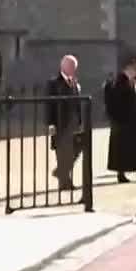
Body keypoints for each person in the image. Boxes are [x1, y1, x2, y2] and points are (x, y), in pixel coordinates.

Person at [104, 57, 136, 183]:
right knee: (122, 149)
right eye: (134, 69)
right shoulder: (119, 82)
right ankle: (124, 173)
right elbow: (115, 102)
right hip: (123, 120)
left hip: (132, 119)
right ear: (128, 68)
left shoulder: (129, 81)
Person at [47, 55, 85, 190]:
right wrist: (51, 123)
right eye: (70, 66)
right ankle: (65, 182)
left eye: (74, 67)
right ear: (62, 66)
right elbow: (49, 105)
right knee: (63, 153)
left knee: (77, 148)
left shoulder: (74, 82)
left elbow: (77, 103)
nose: (73, 69)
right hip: (60, 123)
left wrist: (79, 122)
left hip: (73, 123)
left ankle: (60, 172)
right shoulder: (53, 83)